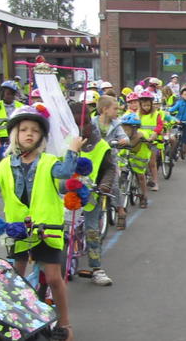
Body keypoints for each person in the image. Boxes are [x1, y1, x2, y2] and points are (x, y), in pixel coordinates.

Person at [0, 105, 83, 339]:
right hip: (16, 230)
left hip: (46, 229)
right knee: (14, 278)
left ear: (41, 137)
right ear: (14, 135)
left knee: (53, 277)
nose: (29, 134)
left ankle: (65, 323)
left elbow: (66, 172)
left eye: (35, 130)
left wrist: (72, 150)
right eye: (23, 130)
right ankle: (16, 323)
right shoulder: (4, 166)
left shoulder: (50, 162)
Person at [71, 100, 118, 286]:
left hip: (91, 195)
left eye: (83, 124)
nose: (80, 128)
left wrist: (105, 185)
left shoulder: (100, 146)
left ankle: (96, 268)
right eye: (75, 124)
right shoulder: (63, 142)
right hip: (64, 195)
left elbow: (109, 169)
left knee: (92, 231)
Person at [91, 95, 131, 228]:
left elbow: (124, 136)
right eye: (115, 109)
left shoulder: (116, 124)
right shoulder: (92, 122)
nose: (117, 111)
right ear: (104, 109)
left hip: (109, 160)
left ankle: (121, 211)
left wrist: (124, 140)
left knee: (114, 186)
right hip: (94, 159)